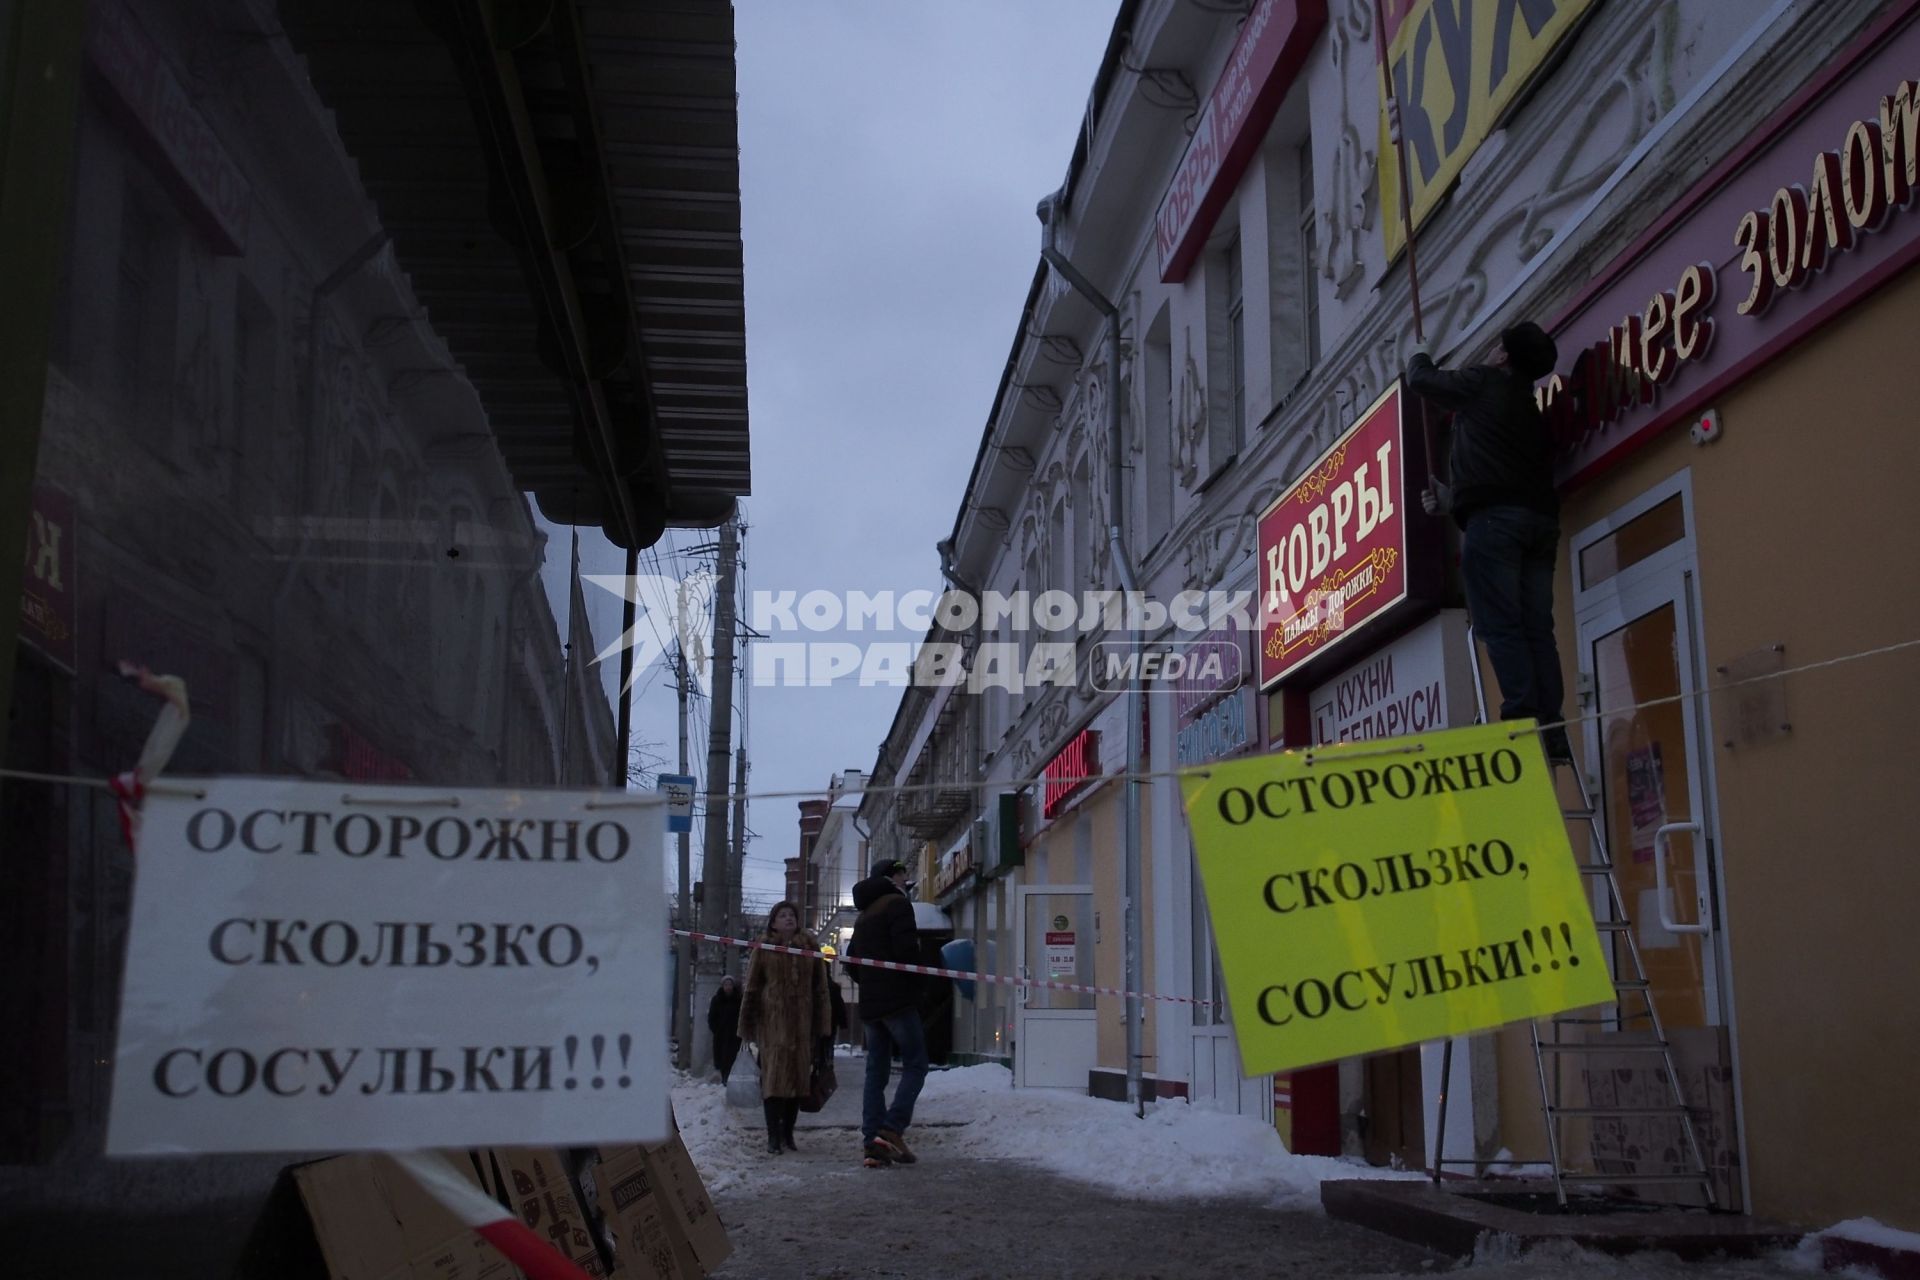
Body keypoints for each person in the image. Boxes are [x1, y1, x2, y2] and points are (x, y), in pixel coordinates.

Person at [1407, 322, 1573, 761]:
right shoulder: (1526, 407)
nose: (1491, 350)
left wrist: (1419, 355)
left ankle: (1522, 718)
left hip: (1494, 526)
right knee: (1538, 628)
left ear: (1503, 357)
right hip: (1538, 524)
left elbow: (1423, 382)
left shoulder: (1484, 382)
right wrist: (1453, 499)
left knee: (1501, 626)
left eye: (1497, 346)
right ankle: (1550, 724)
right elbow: (1505, 470)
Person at [846, 858, 928, 1168]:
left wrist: (870, 983)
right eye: (903, 875)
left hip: (870, 1005)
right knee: (916, 1063)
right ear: (892, 877)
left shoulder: (864, 915)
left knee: (875, 1073)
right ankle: (892, 1128)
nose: (907, 880)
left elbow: (852, 962)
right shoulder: (897, 904)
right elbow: (907, 952)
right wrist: (918, 985)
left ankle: (872, 1144)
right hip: (898, 1001)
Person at [737, 901, 831, 1154]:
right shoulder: (764, 946)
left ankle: (788, 1135)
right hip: (773, 1024)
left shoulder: (810, 947)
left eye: (792, 915)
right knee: (774, 1082)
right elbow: (753, 986)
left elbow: (821, 988)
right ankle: (773, 1137)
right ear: (773, 921)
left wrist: (823, 1025)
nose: (789, 918)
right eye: (783, 915)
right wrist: (746, 1024)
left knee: (799, 1083)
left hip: (802, 1026)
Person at [706, 975, 743, 1086]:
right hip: (720, 1035)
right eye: (726, 985)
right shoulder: (716, 999)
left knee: (733, 1058)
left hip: (734, 1035)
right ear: (722, 986)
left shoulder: (738, 999)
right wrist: (716, 1030)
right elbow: (711, 1017)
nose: (728, 987)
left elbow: (742, 1015)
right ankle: (723, 1078)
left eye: (730, 984)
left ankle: (731, 1079)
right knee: (721, 1058)